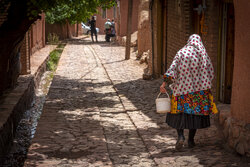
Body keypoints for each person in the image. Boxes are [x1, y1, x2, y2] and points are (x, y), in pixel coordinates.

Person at [160, 34, 218, 150]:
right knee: (194, 115)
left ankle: (181, 136)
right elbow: (210, 72)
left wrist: (164, 84)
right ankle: (191, 140)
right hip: (198, 92)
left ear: (189, 41)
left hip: (181, 90)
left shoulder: (182, 52)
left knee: (178, 114)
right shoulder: (203, 54)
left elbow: (173, 69)